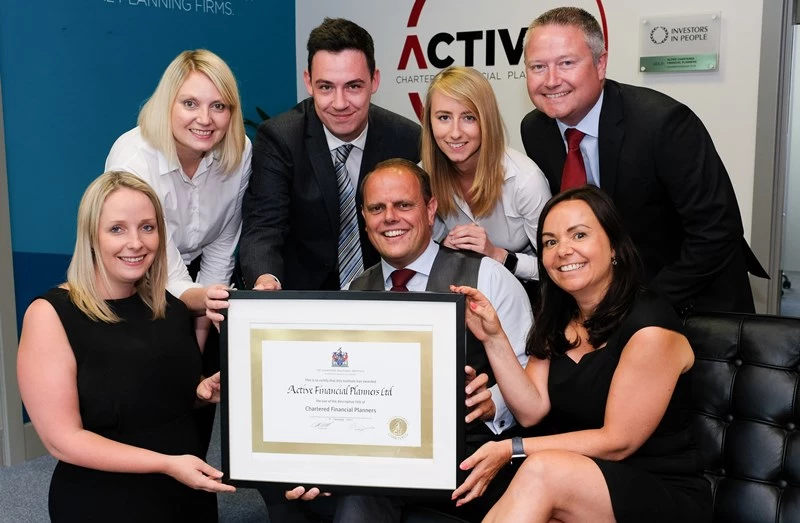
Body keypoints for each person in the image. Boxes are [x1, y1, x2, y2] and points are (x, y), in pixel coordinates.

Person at [202, 159, 533, 522]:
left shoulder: (486, 277)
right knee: (289, 479)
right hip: (375, 456)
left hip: (461, 455)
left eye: (403, 205)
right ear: (364, 217)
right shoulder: (356, 290)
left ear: (430, 208)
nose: (390, 217)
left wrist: (493, 403)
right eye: (377, 208)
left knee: (358, 499)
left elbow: (528, 370)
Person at [450, 185, 712, 522]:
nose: (563, 251)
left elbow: (618, 441)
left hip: (658, 491)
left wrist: (512, 449)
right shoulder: (557, 317)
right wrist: (493, 337)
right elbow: (531, 409)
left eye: (579, 235)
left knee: (542, 470)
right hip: (578, 486)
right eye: (550, 242)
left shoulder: (651, 328)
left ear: (615, 246)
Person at [519, 6, 767, 316]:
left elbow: (717, 230)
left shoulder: (664, 124)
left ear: (600, 64)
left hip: (694, 301)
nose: (551, 80)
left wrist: (640, 308)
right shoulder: (535, 129)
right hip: (606, 304)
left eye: (566, 63)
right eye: (538, 67)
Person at [17, 171, 235, 523]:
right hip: (106, 500)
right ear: (91, 236)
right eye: (117, 229)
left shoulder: (168, 306)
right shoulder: (51, 315)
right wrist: (165, 464)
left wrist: (200, 391)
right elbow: (62, 440)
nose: (136, 243)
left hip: (186, 488)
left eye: (147, 227)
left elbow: (158, 396)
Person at [106, 48, 252, 455]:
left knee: (202, 386)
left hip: (201, 276)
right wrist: (202, 304)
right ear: (167, 103)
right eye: (190, 103)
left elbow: (224, 240)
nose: (205, 119)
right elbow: (156, 259)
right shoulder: (134, 158)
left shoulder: (238, 152)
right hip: (135, 277)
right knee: (152, 398)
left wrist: (205, 324)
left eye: (218, 106)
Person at [239, 17, 421, 292]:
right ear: (308, 82)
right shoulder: (280, 138)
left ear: (375, 81)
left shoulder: (406, 139)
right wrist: (266, 280)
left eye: (353, 86)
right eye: (326, 87)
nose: (339, 103)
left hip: (382, 295)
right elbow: (264, 226)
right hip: (302, 296)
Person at [421, 66, 551, 301]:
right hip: (457, 298)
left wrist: (497, 254)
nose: (455, 132)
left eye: (469, 117)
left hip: (528, 298)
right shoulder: (423, 176)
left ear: (487, 121)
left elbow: (556, 265)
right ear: (429, 122)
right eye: (444, 118)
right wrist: (442, 251)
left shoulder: (524, 180)